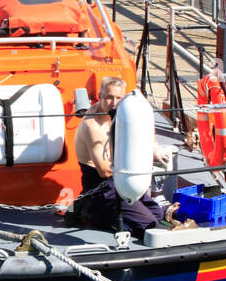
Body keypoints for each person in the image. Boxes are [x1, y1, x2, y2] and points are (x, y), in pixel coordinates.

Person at [73, 76, 171, 234]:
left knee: (158, 214)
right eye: (109, 97)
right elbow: (104, 171)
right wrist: (137, 166)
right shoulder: (93, 126)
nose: (114, 103)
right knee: (150, 225)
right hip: (102, 187)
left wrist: (154, 147)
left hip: (122, 178)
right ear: (99, 97)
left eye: (119, 98)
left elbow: (146, 120)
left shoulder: (122, 113)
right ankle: (95, 214)